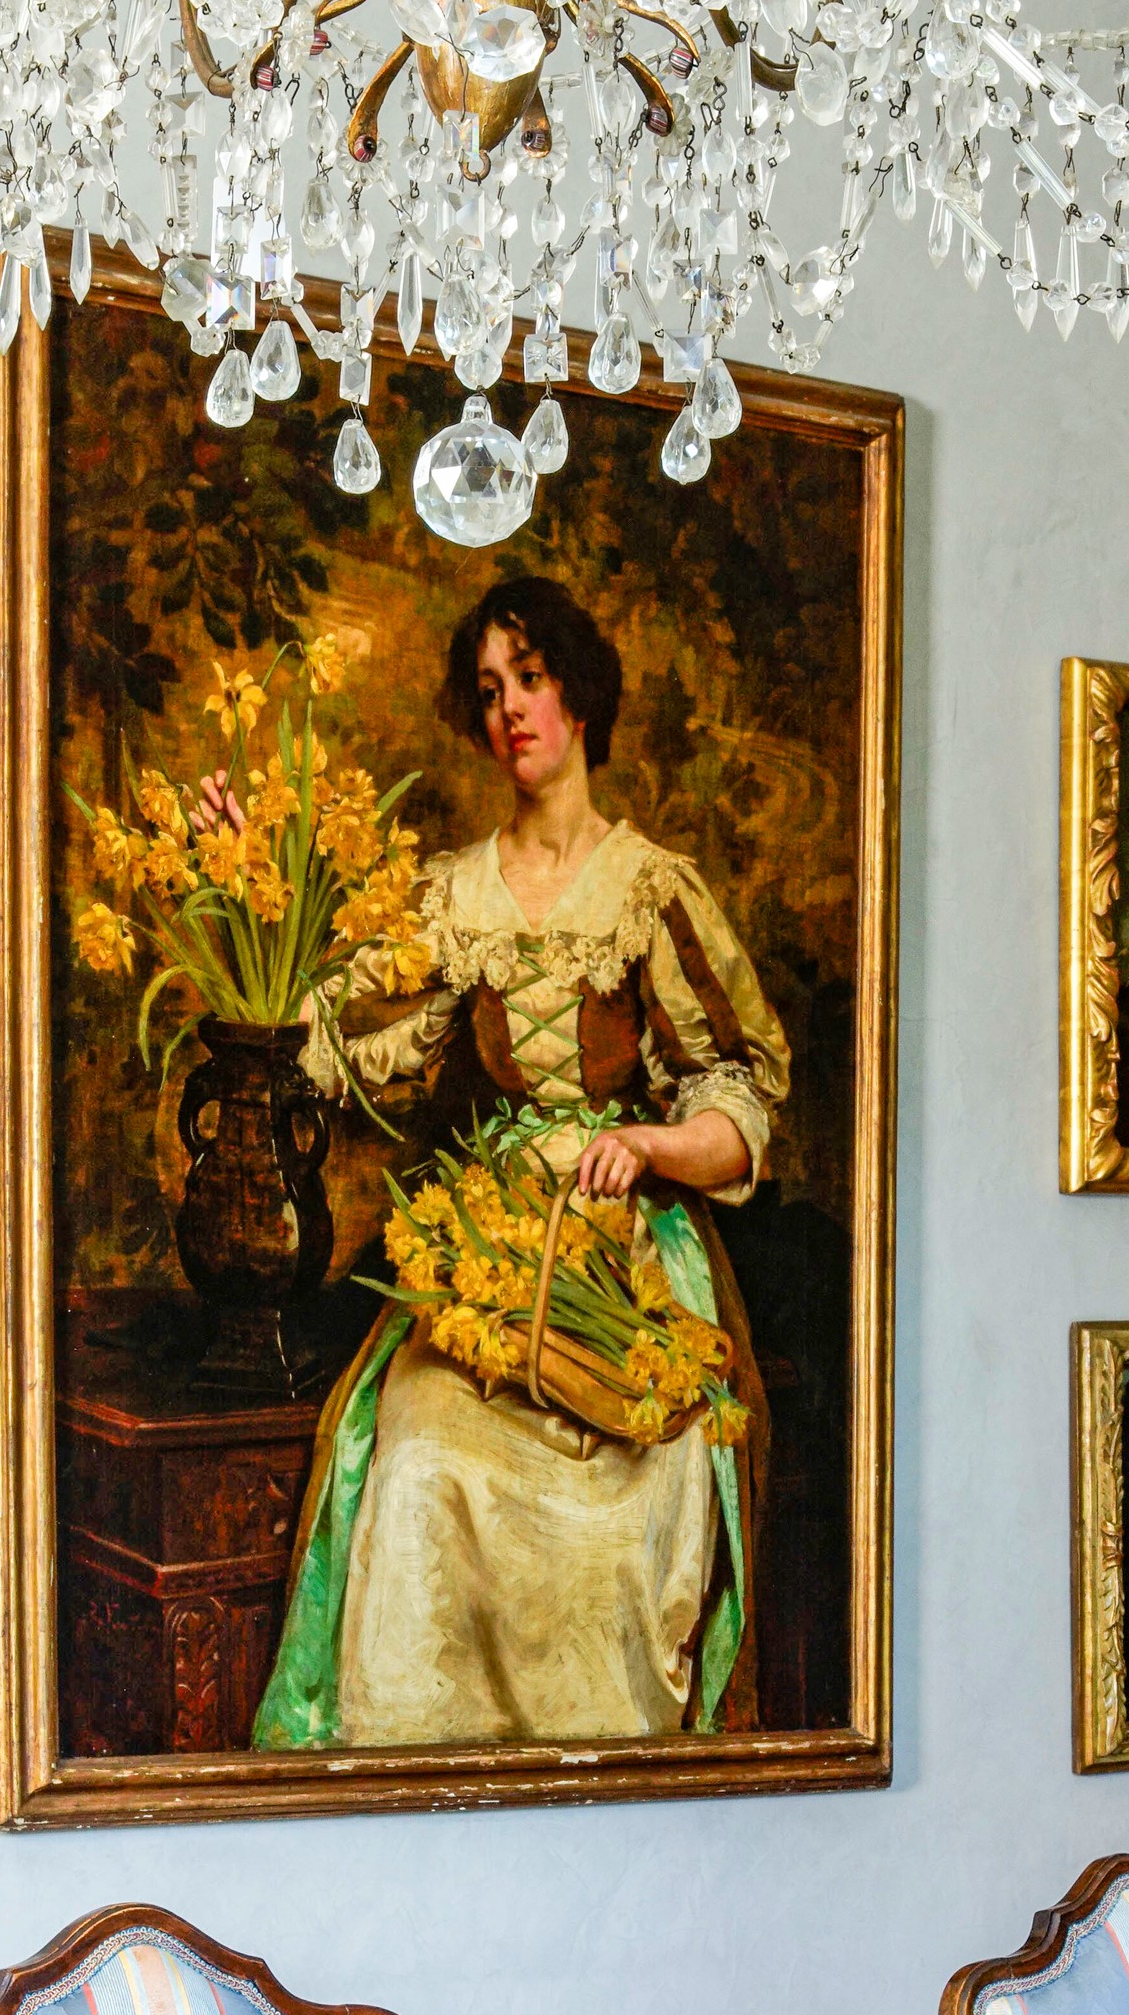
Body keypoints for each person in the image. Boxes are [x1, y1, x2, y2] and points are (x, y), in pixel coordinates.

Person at [254, 575, 788, 1750]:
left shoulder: (649, 888)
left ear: (578, 695)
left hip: (626, 1268)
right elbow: (361, 1036)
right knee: (412, 1465)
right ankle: (410, 1769)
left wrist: (646, 1143)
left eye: (530, 680)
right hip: (485, 1259)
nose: (509, 710)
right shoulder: (452, 895)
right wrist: (257, 928)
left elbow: (740, 1096)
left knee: (636, 1512)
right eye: (489, 690)